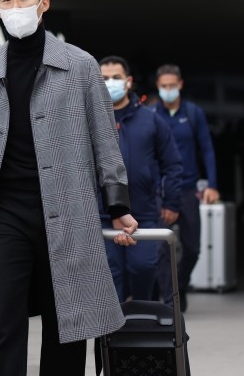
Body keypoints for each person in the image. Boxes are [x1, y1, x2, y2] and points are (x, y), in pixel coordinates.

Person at [0, 0, 138, 376]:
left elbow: (104, 141)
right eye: (7, 0)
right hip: (1, 212)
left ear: (43, 4)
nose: (15, 7)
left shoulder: (81, 66)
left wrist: (117, 203)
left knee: (67, 326)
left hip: (68, 209)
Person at [94, 56, 183, 373]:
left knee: (145, 273)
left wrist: (172, 203)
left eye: (115, 76)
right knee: (111, 288)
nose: (110, 82)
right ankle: (114, 358)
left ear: (129, 81)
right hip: (103, 220)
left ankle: (145, 348)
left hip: (145, 216)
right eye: (103, 77)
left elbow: (172, 164)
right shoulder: (90, 121)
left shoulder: (151, 120)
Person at [154, 63, 219, 313]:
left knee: (193, 248)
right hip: (160, 191)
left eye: (172, 85)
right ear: (158, 87)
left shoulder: (193, 113)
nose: (168, 90)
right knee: (160, 247)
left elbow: (207, 149)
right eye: (163, 86)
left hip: (188, 189)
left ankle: (179, 286)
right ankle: (170, 300)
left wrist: (212, 184)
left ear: (180, 85)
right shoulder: (151, 114)